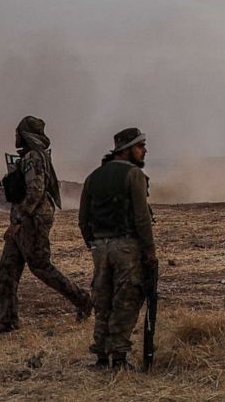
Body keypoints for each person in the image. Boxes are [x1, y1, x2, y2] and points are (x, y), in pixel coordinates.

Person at [0, 117, 92, 334]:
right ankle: (7, 320)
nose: (15, 136)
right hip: (22, 220)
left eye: (18, 132)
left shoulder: (35, 158)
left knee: (41, 267)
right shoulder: (29, 157)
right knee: (7, 269)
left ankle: (83, 299)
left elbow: (36, 191)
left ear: (26, 134)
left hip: (31, 221)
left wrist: (19, 221)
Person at [78, 128, 156, 370]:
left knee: (102, 302)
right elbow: (142, 218)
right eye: (140, 145)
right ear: (126, 149)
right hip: (126, 248)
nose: (144, 150)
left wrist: (94, 244)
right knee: (126, 300)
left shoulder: (93, 176)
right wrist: (150, 251)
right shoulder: (134, 175)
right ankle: (119, 358)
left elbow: (83, 219)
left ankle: (101, 356)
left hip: (100, 248)